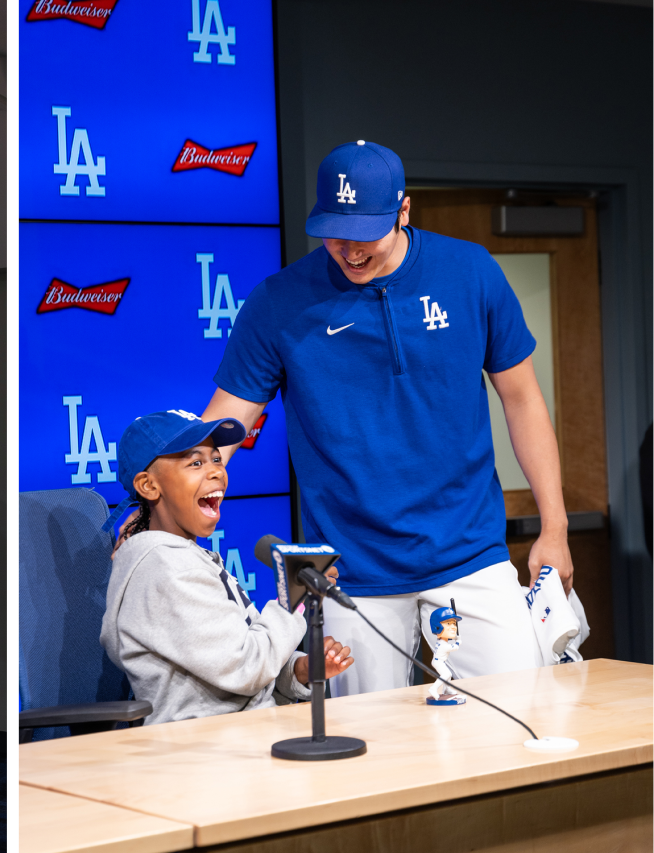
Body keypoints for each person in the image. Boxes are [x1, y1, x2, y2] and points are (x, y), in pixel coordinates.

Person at [199, 139, 562, 696]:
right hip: (348, 572)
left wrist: (553, 527)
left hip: (469, 551)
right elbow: (225, 424)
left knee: (519, 720)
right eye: (334, 231)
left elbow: (523, 399)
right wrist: (164, 508)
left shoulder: (470, 272)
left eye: (365, 231)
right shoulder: (277, 303)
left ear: (404, 211)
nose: (349, 250)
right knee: (362, 750)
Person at [100, 410, 353, 724]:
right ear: (148, 486)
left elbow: (235, 665)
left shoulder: (187, 558)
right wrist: (294, 600)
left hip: (240, 733)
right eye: (195, 462)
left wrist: (296, 672)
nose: (216, 472)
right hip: (201, 750)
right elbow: (243, 668)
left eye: (216, 459)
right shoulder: (167, 569)